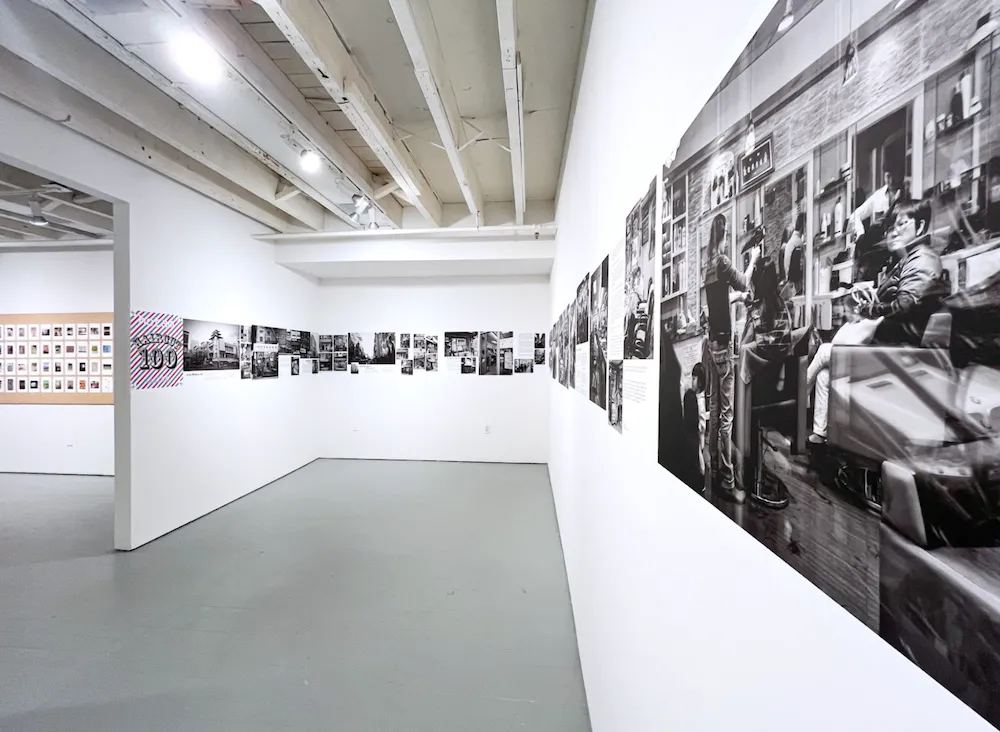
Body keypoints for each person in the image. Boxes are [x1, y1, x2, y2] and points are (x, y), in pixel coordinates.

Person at [807, 198, 947, 442]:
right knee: (824, 375)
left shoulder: (922, 259)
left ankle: (798, 402)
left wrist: (870, 308)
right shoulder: (909, 259)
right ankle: (820, 435)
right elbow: (899, 301)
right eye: (891, 226)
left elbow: (905, 306)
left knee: (823, 352)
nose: (893, 231)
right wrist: (873, 299)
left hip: (898, 352)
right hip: (890, 343)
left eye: (902, 224)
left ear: (921, 227)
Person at [704, 214, 760, 503]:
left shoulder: (709, 265)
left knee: (713, 410)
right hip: (724, 346)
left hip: (711, 343)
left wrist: (738, 300)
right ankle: (727, 480)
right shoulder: (724, 262)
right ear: (724, 234)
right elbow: (743, 282)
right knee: (726, 416)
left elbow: (721, 300)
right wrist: (753, 259)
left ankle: (714, 468)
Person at [683, 362, 708, 491]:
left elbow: (702, 422)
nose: (692, 381)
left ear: (700, 382)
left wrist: (698, 428)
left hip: (698, 436)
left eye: (694, 378)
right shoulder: (695, 397)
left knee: (699, 459)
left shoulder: (700, 401)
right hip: (695, 435)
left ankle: (702, 482)